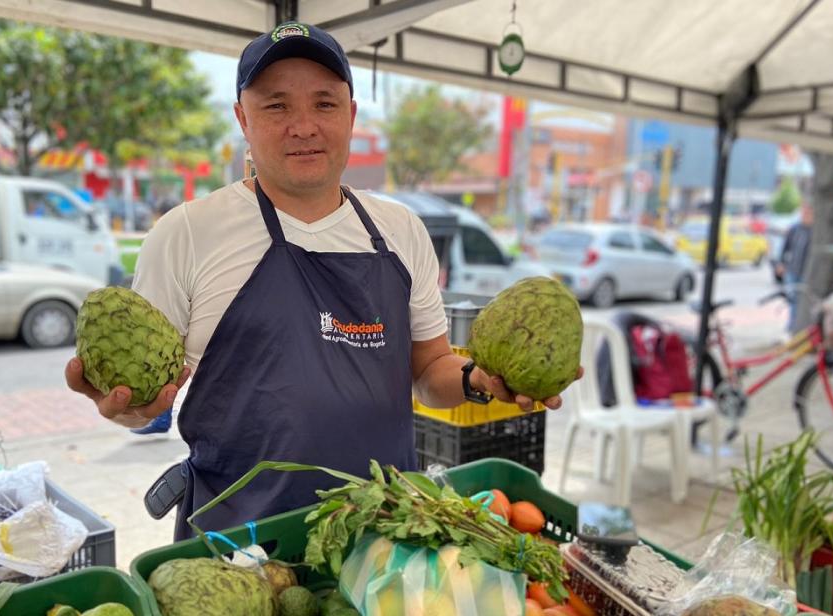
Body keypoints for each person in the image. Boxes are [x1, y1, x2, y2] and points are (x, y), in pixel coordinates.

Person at [65, 21, 575, 539]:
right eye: (277, 105)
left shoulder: (401, 231)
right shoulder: (186, 234)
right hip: (238, 548)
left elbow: (429, 371)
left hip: (383, 534)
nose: (304, 125)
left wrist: (477, 381)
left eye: (325, 104)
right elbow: (151, 398)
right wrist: (130, 410)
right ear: (243, 118)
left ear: (351, 115)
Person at [776, 203, 813, 333]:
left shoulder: (815, 231)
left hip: (806, 272)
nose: (805, 215)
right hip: (792, 270)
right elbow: (785, 248)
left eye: (808, 212)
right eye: (804, 212)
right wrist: (781, 263)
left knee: (801, 301)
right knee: (793, 300)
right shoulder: (795, 229)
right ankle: (792, 326)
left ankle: (796, 327)